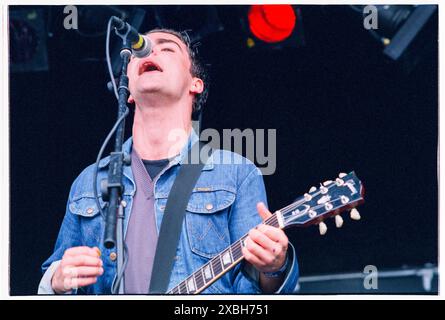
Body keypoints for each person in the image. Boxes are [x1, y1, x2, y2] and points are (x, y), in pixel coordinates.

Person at [38, 29, 299, 294]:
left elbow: (253, 292)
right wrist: (57, 281)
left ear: (195, 84)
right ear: (127, 90)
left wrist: (274, 267)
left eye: (167, 48)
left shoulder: (237, 173)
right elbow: (52, 278)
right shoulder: (89, 181)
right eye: (142, 50)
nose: (150, 51)